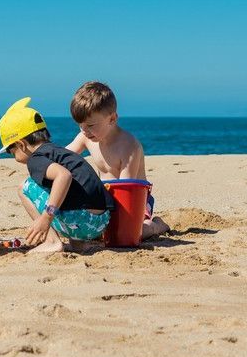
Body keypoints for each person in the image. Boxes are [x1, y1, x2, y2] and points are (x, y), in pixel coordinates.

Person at [0, 97, 113, 254]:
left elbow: (63, 176)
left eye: (11, 151)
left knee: (25, 187)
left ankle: (52, 241)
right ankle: (78, 244)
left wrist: (46, 217)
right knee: (62, 190)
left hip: (81, 221)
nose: (13, 157)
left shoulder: (35, 160)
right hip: (102, 221)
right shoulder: (60, 152)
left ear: (21, 144)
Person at [66, 81, 170, 239]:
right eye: (80, 126)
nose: (85, 131)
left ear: (112, 119)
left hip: (134, 200)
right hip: (104, 199)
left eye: (91, 125)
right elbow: (63, 156)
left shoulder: (128, 146)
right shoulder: (86, 137)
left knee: (132, 233)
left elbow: (126, 190)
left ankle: (157, 226)